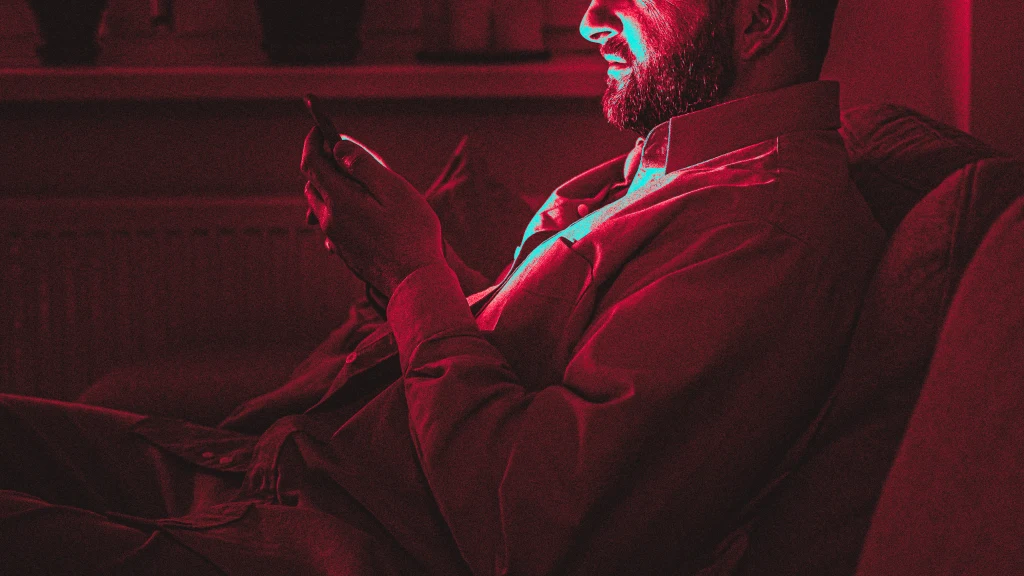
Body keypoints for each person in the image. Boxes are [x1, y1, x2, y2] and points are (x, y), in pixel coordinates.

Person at [0, 0, 884, 573]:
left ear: (758, 17)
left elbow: (534, 524)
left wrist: (412, 275)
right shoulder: (681, 173)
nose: (589, 20)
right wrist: (410, 260)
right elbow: (540, 362)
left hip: (320, 544)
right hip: (269, 473)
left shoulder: (765, 229)